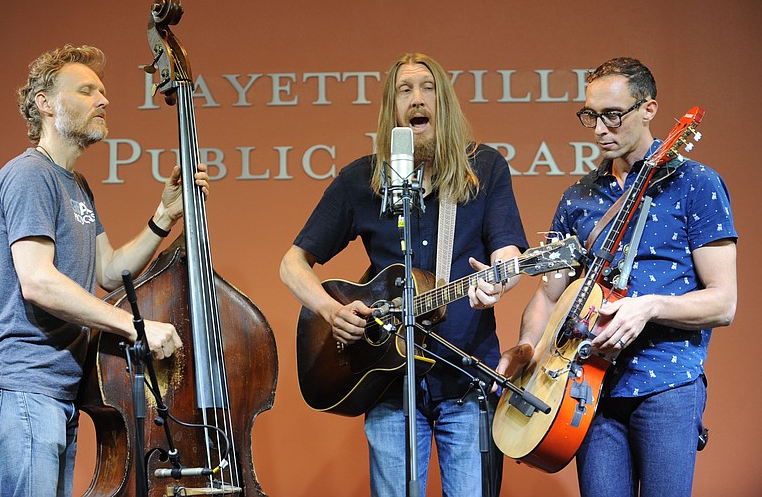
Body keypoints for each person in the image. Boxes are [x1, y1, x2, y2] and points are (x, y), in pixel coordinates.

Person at [280, 52, 528, 496]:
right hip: (388, 386)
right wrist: (329, 309)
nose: (418, 99)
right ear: (391, 109)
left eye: (428, 88)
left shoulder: (484, 168)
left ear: (444, 102)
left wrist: (499, 280)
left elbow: (508, 251)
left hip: (465, 379)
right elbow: (292, 264)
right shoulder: (361, 179)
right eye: (405, 90)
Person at [0, 44, 210, 497]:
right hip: (23, 384)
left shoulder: (76, 185)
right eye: (86, 90)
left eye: (102, 91)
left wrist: (165, 215)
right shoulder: (28, 175)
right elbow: (38, 281)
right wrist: (135, 326)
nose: (104, 99)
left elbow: (111, 272)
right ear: (45, 103)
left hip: (57, 390)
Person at [496, 57, 737, 497]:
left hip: (667, 384)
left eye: (613, 115)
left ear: (648, 109)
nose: (599, 129)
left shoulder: (697, 184)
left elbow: (723, 303)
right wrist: (531, 351)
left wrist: (650, 306)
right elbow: (548, 298)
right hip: (589, 391)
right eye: (591, 116)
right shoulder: (578, 197)